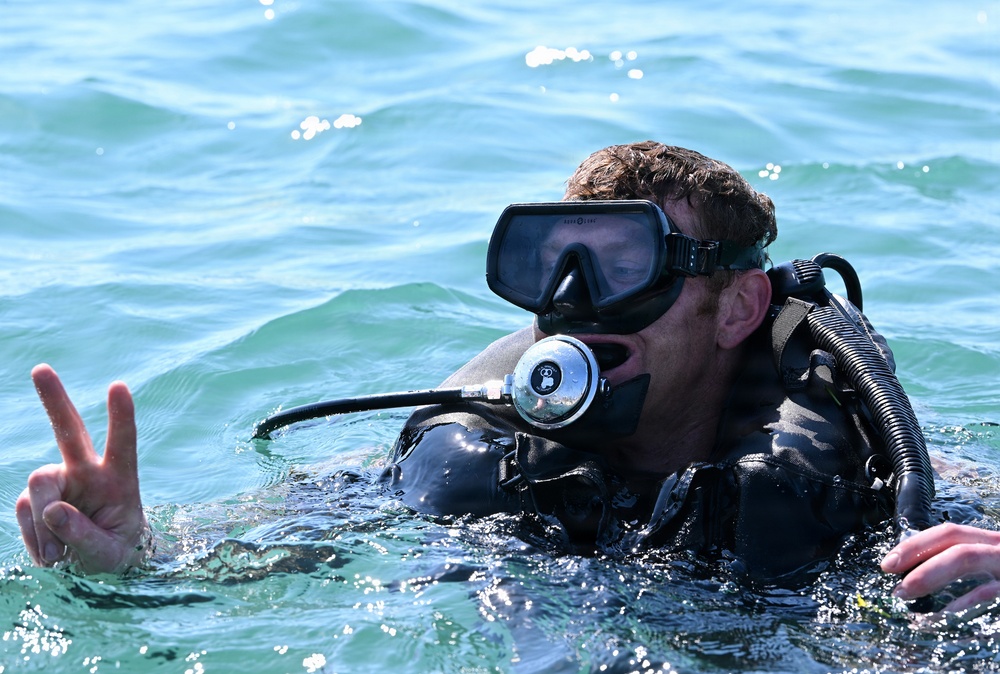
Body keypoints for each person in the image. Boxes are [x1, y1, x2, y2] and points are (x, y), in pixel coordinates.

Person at [14, 142, 999, 613]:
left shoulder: (867, 475)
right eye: (552, 269)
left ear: (734, 307)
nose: (576, 306)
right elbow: (262, 552)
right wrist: (126, 562)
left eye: (623, 266)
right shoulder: (481, 457)